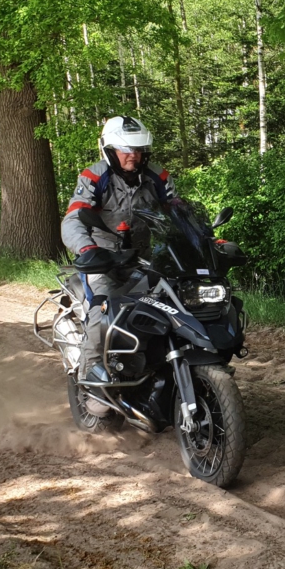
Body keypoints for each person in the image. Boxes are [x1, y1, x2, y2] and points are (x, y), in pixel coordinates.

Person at [61, 115, 184, 394]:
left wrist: (203, 240)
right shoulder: (94, 177)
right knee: (102, 308)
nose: (133, 155)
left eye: (138, 149)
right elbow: (74, 218)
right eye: (126, 149)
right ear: (110, 150)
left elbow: (178, 213)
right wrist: (87, 249)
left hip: (143, 258)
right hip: (102, 260)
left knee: (175, 305)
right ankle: (90, 377)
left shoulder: (157, 177)